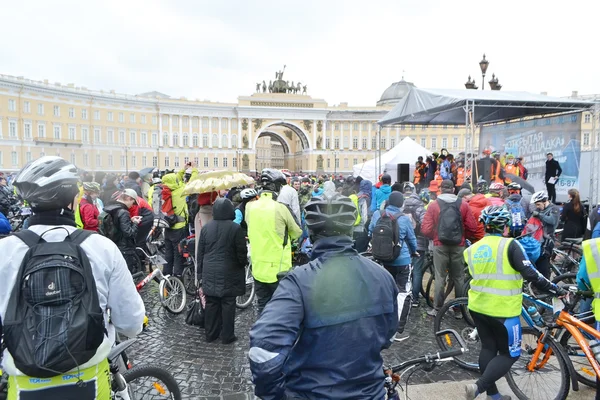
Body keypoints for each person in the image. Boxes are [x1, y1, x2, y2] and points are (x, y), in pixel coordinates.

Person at [0, 156, 144, 400]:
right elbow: (131, 323)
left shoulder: (5, 251)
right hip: (88, 381)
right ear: (72, 201)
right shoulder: (102, 248)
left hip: (24, 384)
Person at [248, 192, 398, 399]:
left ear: (310, 234)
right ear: (352, 230)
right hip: (370, 393)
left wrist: (276, 395)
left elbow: (263, 351)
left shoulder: (298, 282)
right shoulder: (383, 277)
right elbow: (388, 335)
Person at [464, 206, 565, 400]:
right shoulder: (510, 245)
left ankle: (493, 396)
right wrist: (556, 289)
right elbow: (531, 274)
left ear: (484, 226)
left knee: (488, 348)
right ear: (506, 227)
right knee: (511, 354)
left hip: (477, 306)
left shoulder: (472, 249)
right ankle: (478, 387)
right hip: (503, 310)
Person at [245, 169, 303, 313]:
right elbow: (297, 232)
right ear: (276, 187)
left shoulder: (249, 207)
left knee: (262, 307)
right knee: (279, 310)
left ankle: (261, 334)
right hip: (278, 270)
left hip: (258, 267)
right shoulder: (281, 208)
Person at [422, 180, 478, 316]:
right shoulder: (463, 204)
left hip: (439, 245)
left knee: (440, 277)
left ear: (440, 190)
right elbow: (473, 227)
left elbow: (425, 229)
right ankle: (459, 310)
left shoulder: (434, 205)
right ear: (453, 190)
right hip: (458, 245)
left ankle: (437, 309)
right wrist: (463, 236)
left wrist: (435, 235)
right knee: (458, 277)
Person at [197, 198, 248, 344]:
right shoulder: (235, 228)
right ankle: (227, 336)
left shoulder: (207, 228)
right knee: (228, 303)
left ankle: (211, 334)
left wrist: (200, 273)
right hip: (229, 272)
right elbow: (241, 253)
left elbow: (200, 252)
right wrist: (242, 264)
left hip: (209, 271)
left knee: (211, 303)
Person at [369, 191, 417, 342]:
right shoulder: (404, 218)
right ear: (401, 203)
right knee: (403, 293)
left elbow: (371, 230)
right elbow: (411, 239)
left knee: (384, 291)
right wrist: (414, 251)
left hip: (382, 259)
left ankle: (380, 325)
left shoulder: (378, 214)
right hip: (401, 261)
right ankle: (397, 330)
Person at [161, 165, 198, 276]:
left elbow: (174, 179)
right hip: (179, 227)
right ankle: (178, 277)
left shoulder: (164, 190)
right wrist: (194, 169)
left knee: (168, 254)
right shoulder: (180, 191)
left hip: (167, 226)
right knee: (178, 253)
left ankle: (166, 276)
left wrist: (183, 169)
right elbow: (193, 182)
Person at [103, 189, 143, 274]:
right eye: (133, 202)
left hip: (113, 244)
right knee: (126, 273)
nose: (132, 205)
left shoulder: (110, 208)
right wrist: (135, 223)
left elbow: (116, 225)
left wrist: (130, 221)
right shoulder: (123, 212)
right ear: (128, 198)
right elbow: (129, 233)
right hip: (124, 248)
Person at [402, 182, 428, 306]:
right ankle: (415, 299)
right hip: (419, 243)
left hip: (404, 242)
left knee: (405, 269)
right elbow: (425, 224)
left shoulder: (401, 206)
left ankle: (404, 294)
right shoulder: (420, 207)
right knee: (417, 271)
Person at [530, 190, 560, 279]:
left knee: (544, 264)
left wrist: (539, 215)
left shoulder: (554, 209)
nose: (537, 207)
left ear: (544, 201)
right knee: (537, 263)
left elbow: (552, 221)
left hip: (548, 240)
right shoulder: (539, 209)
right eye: (536, 205)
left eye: (538, 204)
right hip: (538, 240)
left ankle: (546, 284)